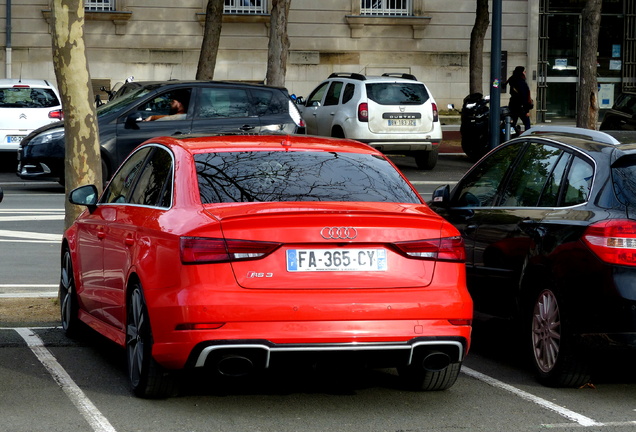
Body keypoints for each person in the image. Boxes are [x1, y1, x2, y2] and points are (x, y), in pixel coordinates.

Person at [506, 66, 533, 131]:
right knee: (527, 123)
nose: (525, 73)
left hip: (513, 105)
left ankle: (510, 135)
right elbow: (524, 96)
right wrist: (527, 110)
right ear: (521, 72)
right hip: (520, 106)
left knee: (512, 122)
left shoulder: (512, 80)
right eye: (524, 71)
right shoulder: (521, 82)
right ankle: (527, 137)